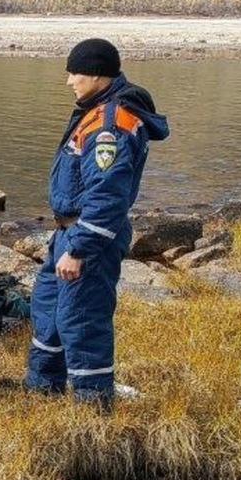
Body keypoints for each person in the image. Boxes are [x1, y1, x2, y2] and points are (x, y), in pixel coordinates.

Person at [24, 38, 169, 409]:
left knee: (83, 318)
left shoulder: (111, 124)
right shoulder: (96, 111)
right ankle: (43, 388)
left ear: (96, 74)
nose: (69, 80)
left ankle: (92, 407)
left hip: (87, 236)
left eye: (74, 72)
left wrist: (79, 249)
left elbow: (108, 197)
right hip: (68, 231)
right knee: (48, 306)